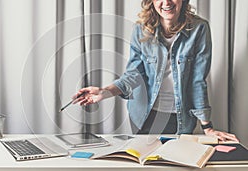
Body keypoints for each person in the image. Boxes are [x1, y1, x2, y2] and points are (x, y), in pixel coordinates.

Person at [73, 0, 239, 142]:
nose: (166, 3)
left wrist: (207, 127)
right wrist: (105, 91)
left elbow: (197, 80)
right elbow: (133, 75)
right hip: (144, 115)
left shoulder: (199, 28)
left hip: (179, 118)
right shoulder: (141, 29)